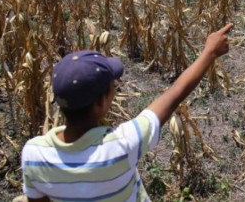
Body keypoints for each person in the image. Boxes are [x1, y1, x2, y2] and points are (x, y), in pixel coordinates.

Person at [21, 23, 233, 202]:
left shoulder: (34, 155)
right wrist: (209, 53)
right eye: (112, 84)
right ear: (100, 103)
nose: (116, 85)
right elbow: (176, 93)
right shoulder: (121, 146)